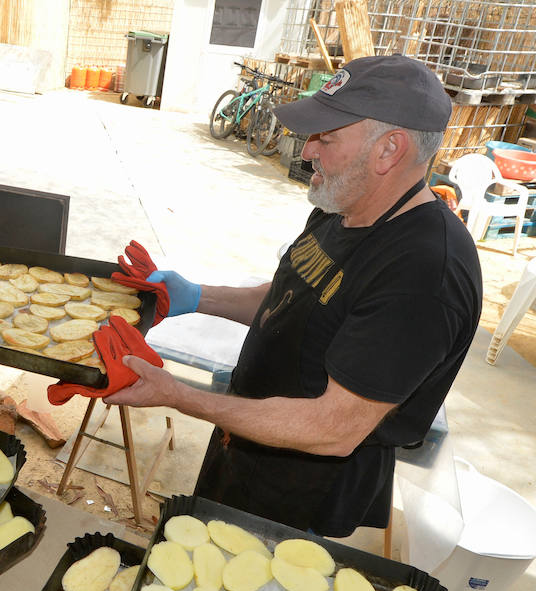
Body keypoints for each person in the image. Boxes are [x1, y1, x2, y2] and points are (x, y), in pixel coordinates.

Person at [108, 54, 483, 537]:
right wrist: (196, 296)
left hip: (304, 494)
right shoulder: (343, 206)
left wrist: (178, 395)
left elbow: (333, 428)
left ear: (389, 149)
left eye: (326, 137)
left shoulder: (424, 273)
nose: (307, 152)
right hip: (245, 441)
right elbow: (293, 298)